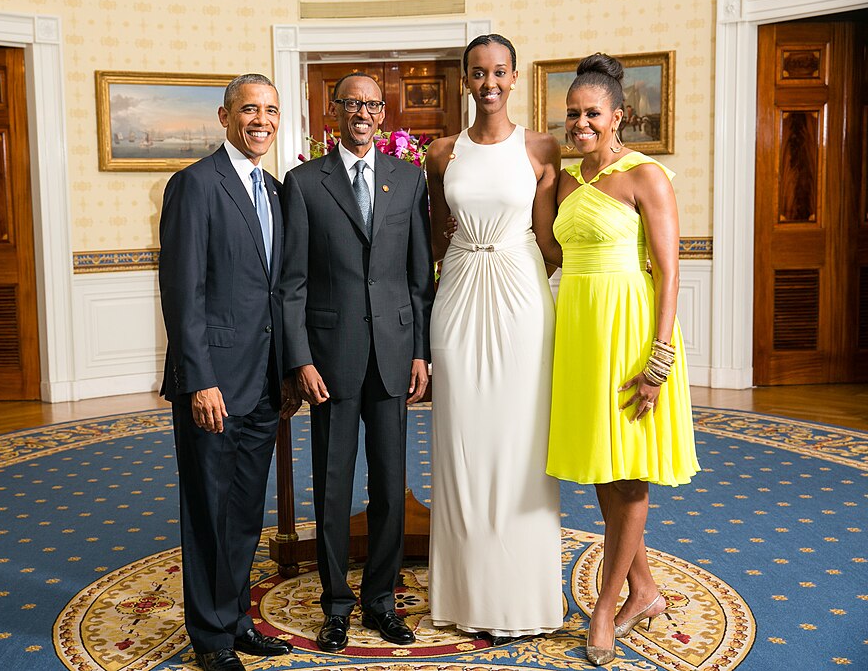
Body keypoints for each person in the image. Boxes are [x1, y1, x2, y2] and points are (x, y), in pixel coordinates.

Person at [544, 53, 700, 667]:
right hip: (581, 331)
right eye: (572, 114)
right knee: (604, 467)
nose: (581, 123)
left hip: (633, 331)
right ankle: (646, 589)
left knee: (629, 472)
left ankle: (605, 607)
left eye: (592, 114)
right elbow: (550, 251)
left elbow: (669, 271)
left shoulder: (646, 176)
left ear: (619, 116)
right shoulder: (568, 178)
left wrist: (659, 356)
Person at [280, 72, 434, 652]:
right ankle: (336, 605)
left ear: (382, 114)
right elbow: (292, 283)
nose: (362, 113)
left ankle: (381, 601)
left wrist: (419, 348)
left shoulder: (408, 177)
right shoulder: (303, 183)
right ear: (335, 112)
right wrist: (300, 359)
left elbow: (420, 279)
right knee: (333, 488)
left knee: (391, 487)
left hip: (394, 355)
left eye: (372, 105)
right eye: (352, 104)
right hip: (330, 358)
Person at [424, 34, 564, 643]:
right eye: (478, 73)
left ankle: (521, 595)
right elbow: (434, 238)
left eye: (500, 72)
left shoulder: (541, 147)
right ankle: (463, 593)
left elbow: (551, 244)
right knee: (461, 444)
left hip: (521, 302)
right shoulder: (440, 153)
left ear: (514, 76)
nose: (489, 84)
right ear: (464, 79)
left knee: (520, 445)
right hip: (456, 297)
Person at [158, 73, 299, 671]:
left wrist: (289, 369)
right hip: (213, 381)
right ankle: (210, 638)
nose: (260, 120)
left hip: (264, 380)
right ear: (224, 117)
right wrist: (199, 379)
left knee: (245, 509)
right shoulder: (194, 184)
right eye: (249, 109)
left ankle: (236, 619)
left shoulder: (274, 189)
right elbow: (181, 292)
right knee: (209, 512)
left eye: (269, 110)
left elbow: (279, 291)